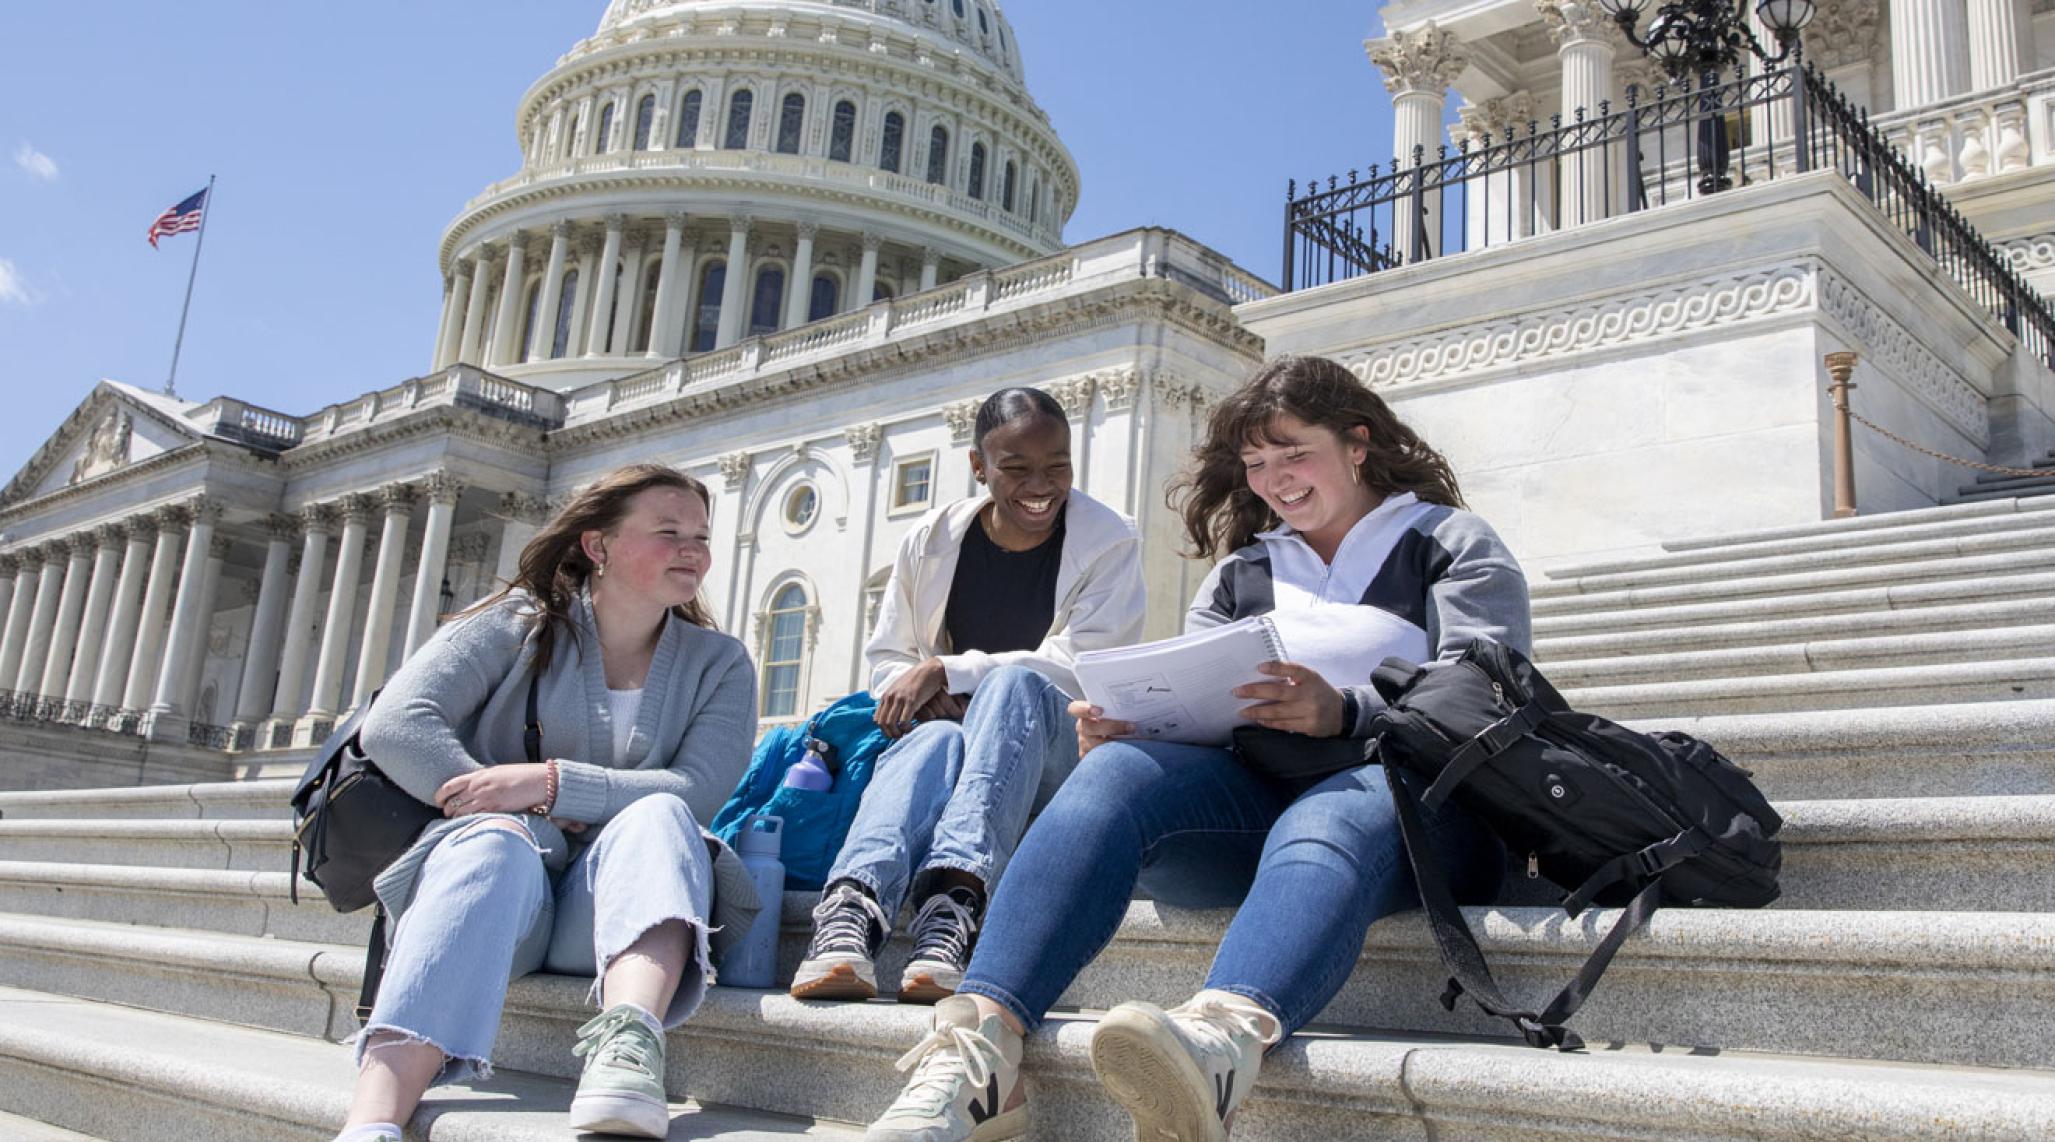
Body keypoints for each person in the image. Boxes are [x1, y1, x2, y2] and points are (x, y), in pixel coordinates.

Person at [864, 355, 1531, 1142]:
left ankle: (1215, 1043)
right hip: (1252, 804)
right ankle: (980, 1050)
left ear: (1357, 443)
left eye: (1294, 453)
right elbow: (1195, 693)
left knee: (1336, 810)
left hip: (1418, 810)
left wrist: (1345, 709)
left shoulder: (1445, 540)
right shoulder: (1242, 571)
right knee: (1114, 771)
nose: (1275, 480)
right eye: (1255, 464)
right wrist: (1134, 724)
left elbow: (1490, 691)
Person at [330, 464, 758, 1142]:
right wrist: (505, 805)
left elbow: (697, 789)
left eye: (701, 537)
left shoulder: (719, 662)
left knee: (661, 815)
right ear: (598, 546)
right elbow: (397, 724)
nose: (693, 552)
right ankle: (374, 1118)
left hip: (621, 907)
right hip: (500, 901)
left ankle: (627, 1054)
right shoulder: (516, 625)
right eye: (669, 532)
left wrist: (548, 782)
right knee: (493, 840)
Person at [790, 387, 1148, 1006]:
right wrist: (926, 690)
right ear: (978, 466)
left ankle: (954, 902)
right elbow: (888, 660)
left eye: (1057, 465)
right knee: (932, 737)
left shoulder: (1109, 541)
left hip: (1057, 759)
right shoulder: (930, 540)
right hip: (949, 756)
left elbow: (1083, 668)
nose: (1042, 484)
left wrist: (948, 671)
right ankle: (851, 911)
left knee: (1013, 685)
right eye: (1016, 468)